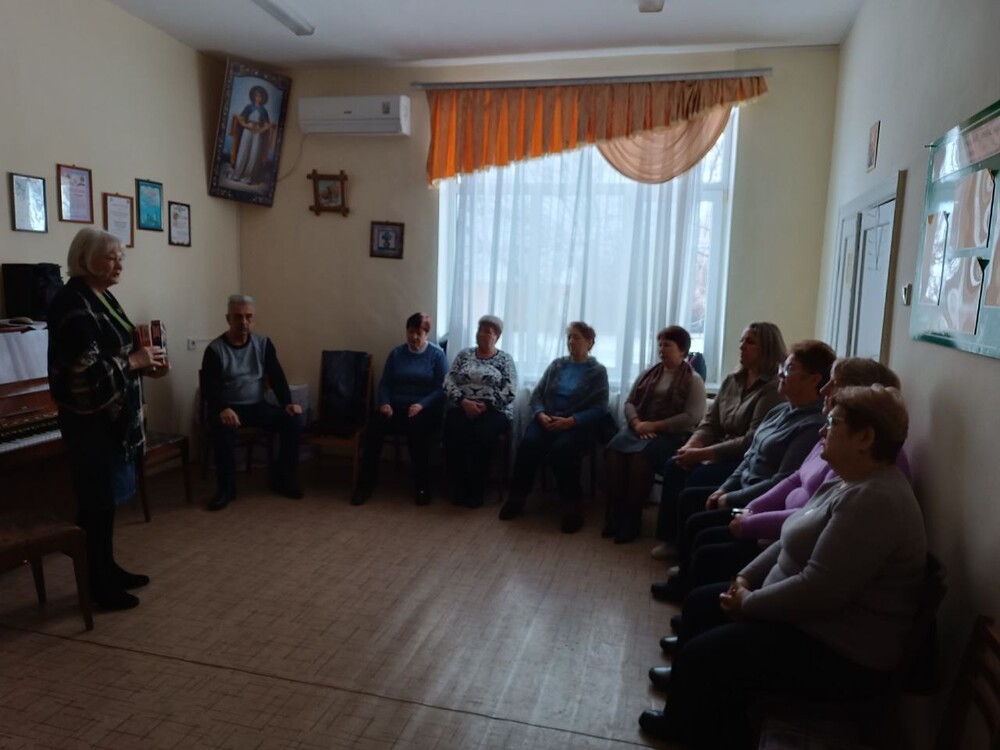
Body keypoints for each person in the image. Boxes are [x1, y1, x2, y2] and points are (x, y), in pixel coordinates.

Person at [639, 385, 927, 749]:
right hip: (807, 620)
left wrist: (749, 603)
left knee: (705, 656)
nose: (822, 431)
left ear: (865, 437)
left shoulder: (876, 501)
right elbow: (789, 535)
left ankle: (692, 728)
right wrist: (745, 577)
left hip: (839, 651)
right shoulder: (849, 480)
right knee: (700, 603)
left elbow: (818, 590)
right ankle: (692, 708)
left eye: (833, 423)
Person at [651, 339, 836, 602]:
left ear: (813, 379)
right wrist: (725, 488)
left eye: (789, 369)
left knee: (699, 524)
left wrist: (733, 497)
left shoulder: (811, 425)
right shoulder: (780, 410)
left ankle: (691, 586)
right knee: (690, 498)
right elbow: (750, 456)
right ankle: (686, 576)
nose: (781, 374)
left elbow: (781, 480)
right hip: (742, 486)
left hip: (759, 499)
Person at [47, 228, 169, 610]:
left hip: (113, 423)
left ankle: (107, 568)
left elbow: (121, 349)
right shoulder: (71, 303)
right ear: (86, 259)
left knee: (105, 503)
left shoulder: (101, 294)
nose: (119, 264)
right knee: (95, 504)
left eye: (120, 257)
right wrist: (134, 362)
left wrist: (145, 365)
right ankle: (96, 584)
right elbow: (85, 373)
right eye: (111, 257)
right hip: (90, 425)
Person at [651, 322, 786, 558]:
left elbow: (750, 441)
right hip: (716, 449)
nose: (742, 346)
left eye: (750, 342)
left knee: (697, 478)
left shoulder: (773, 388)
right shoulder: (732, 380)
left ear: (767, 348)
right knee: (675, 464)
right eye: (742, 340)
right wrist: (691, 446)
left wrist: (703, 454)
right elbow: (710, 422)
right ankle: (670, 538)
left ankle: (688, 545)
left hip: (742, 460)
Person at [499, 321, 609, 534]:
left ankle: (573, 509)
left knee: (562, 451)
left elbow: (600, 408)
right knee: (529, 444)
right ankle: (517, 499)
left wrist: (571, 421)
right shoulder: (557, 365)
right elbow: (537, 394)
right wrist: (540, 414)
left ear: (589, 342)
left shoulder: (597, 371)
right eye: (569, 337)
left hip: (575, 424)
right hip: (547, 418)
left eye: (576, 337)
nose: (571, 342)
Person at [604, 325, 706, 544]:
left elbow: (692, 416)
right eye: (660, 345)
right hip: (639, 428)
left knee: (640, 458)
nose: (661, 349)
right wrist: (637, 423)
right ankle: (616, 514)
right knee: (613, 451)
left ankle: (632, 519)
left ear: (682, 350)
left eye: (667, 345)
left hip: (672, 435)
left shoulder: (693, 380)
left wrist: (654, 426)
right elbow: (630, 402)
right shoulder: (648, 373)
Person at [202, 294, 303, 511]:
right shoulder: (215, 350)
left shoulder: (263, 344)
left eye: (248, 317)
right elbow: (210, 388)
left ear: (254, 319)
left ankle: (282, 479)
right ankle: (226, 489)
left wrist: (287, 403)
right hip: (228, 407)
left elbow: (277, 375)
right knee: (222, 429)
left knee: (293, 421)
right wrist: (222, 408)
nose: (244, 322)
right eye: (238, 317)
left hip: (257, 406)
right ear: (228, 319)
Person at [354, 312, 447, 506]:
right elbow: (385, 383)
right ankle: (365, 485)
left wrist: (421, 405)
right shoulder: (396, 354)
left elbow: (441, 389)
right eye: (411, 332)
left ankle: (422, 487)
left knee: (417, 432)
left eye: (419, 333)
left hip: (424, 409)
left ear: (427, 334)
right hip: (396, 406)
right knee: (374, 428)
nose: (414, 337)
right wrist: (385, 403)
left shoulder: (437, 355)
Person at [442, 315, 517, 508]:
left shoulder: (505, 359)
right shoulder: (464, 355)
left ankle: (476, 490)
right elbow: (449, 381)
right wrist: (463, 401)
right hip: (462, 405)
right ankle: (459, 486)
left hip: (494, 411)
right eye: (480, 330)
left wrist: (486, 405)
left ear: (497, 337)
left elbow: (510, 390)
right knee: (452, 429)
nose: (482, 334)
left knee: (482, 434)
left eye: (488, 332)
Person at [230, 85, 274, 185]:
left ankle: (248, 177)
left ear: (262, 98)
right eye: (257, 96)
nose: (258, 98)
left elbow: (267, 124)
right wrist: (247, 126)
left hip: (258, 132)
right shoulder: (249, 107)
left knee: (254, 154)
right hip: (248, 130)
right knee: (243, 151)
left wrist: (261, 129)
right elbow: (241, 119)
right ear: (254, 97)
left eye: (260, 96)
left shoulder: (264, 110)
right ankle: (238, 174)